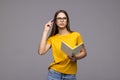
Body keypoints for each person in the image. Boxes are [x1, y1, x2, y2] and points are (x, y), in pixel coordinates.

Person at [38, 10, 87, 80]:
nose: (62, 20)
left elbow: (84, 53)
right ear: (55, 21)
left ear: (67, 21)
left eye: (64, 18)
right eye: (59, 18)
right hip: (54, 73)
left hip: (70, 75)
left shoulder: (76, 35)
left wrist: (75, 57)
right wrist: (46, 31)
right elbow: (41, 52)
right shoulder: (52, 38)